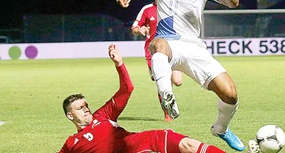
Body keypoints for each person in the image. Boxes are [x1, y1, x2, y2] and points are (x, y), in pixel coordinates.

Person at [116, 0, 244, 151]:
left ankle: (220, 129)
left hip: (195, 47)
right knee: (157, 44)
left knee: (230, 94)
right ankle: (167, 95)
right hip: (169, 42)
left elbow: (233, 2)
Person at [58, 44, 226, 153]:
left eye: (86, 105)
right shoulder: (72, 144)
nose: (86, 108)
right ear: (70, 115)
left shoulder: (102, 116)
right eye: (80, 108)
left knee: (188, 145)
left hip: (143, 141)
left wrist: (119, 64)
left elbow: (127, 89)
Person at [131, 0, 183, 122]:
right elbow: (135, 28)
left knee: (177, 81)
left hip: (173, 49)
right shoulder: (147, 9)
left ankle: (168, 93)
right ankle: (167, 113)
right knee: (162, 81)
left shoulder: (173, 7)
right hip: (154, 52)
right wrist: (139, 29)